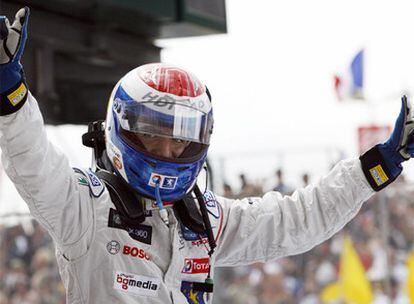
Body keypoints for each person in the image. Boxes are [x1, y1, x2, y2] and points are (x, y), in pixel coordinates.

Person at [1, 7, 414, 304]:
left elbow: (300, 219)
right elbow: (31, 161)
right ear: (121, 130)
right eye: (154, 136)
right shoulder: (83, 207)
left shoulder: (207, 220)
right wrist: (11, 97)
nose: (168, 150)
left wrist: (382, 162)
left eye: (181, 140)